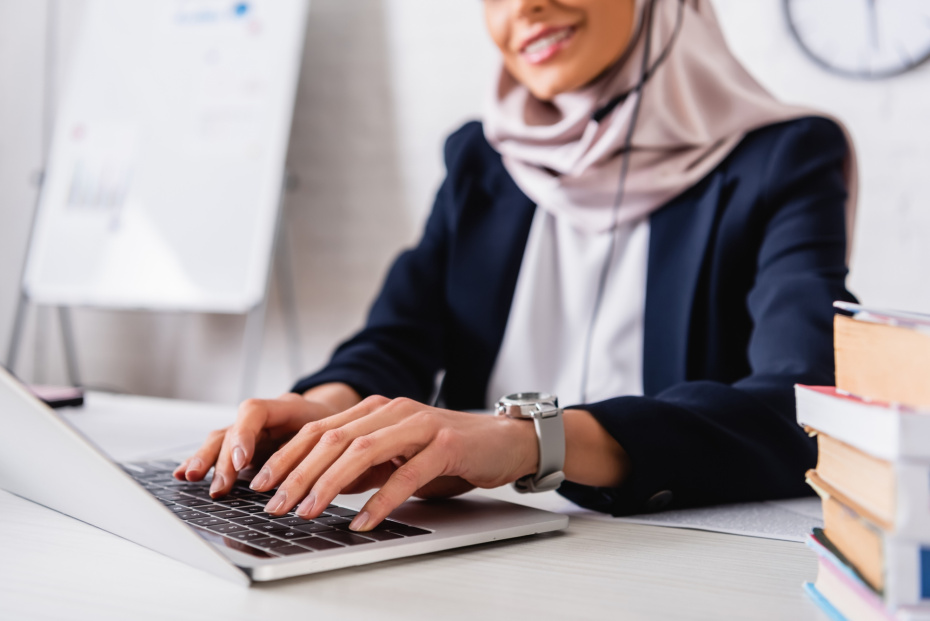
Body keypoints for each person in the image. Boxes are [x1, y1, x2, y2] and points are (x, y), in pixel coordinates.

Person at [174, 0, 857, 534]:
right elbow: (396, 339)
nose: (524, 7)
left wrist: (530, 442)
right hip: (480, 538)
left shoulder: (783, 157)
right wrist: (324, 415)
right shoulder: (482, 159)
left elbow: (805, 407)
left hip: (671, 550)